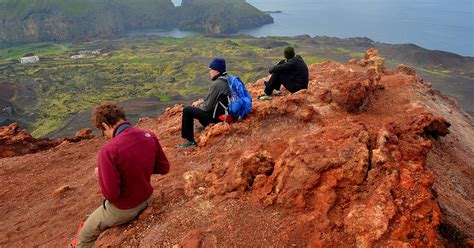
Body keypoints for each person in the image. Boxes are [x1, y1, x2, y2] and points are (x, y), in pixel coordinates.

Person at [75, 102, 169, 247]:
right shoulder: (149, 135)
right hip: (148, 197)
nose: (105, 135)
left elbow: (111, 195)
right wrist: (140, 167)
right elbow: (164, 168)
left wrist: (102, 175)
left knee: (85, 235)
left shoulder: (109, 150)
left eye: (103, 131)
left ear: (105, 125)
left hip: (125, 209)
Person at [177, 58, 230, 148]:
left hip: (220, 118)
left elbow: (207, 107)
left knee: (187, 111)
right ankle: (206, 125)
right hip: (226, 113)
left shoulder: (217, 84)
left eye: (210, 69)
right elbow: (214, 100)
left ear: (217, 71)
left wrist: (198, 105)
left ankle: (189, 141)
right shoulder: (227, 79)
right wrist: (202, 102)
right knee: (200, 107)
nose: (209, 72)